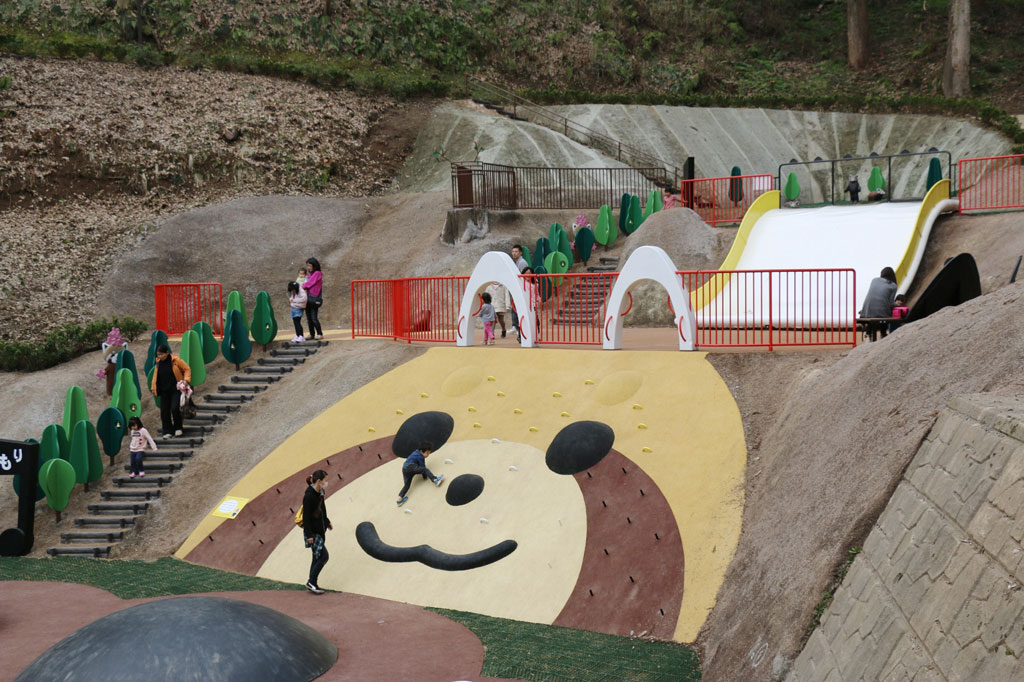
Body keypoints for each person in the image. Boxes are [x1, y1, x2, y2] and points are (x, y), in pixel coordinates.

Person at [149, 343, 191, 438]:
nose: (160, 356)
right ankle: (167, 431)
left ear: (167, 353)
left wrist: (186, 380)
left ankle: (178, 428)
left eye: (161, 354)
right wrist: (154, 389)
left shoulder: (175, 360)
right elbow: (155, 378)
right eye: (158, 354)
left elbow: (187, 369)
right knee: (164, 411)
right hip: (164, 391)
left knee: (174, 408)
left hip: (175, 389)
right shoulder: (158, 364)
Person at [302, 469, 332, 594]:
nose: (327, 482)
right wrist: (309, 535)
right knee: (324, 556)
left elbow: (322, 509)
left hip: (321, 529)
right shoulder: (309, 496)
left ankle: (312, 582)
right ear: (319, 481)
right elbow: (306, 517)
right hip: (313, 532)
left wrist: (327, 521)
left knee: (316, 556)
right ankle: (311, 582)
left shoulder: (320, 492)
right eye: (325, 480)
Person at [397, 441, 444, 507]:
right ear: (421, 451)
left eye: (429, 453)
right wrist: (425, 477)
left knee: (407, 485)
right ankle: (435, 480)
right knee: (425, 469)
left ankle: (399, 499)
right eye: (427, 453)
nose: (428, 455)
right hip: (411, 467)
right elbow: (423, 467)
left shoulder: (416, 452)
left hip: (405, 469)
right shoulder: (420, 456)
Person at [860, 266, 898, 341]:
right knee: (884, 312)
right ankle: (883, 333)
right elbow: (890, 303)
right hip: (882, 313)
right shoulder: (893, 286)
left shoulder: (874, 280)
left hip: (866, 311)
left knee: (874, 314)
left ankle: (868, 334)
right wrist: (897, 305)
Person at [302, 257, 324, 340]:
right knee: (309, 318)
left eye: (309, 265)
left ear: (314, 265)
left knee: (314, 318)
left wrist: (301, 286)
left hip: (314, 298)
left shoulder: (317, 273)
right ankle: (312, 334)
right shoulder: (309, 274)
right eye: (307, 265)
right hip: (308, 298)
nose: (308, 267)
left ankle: (319, 333)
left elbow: (309, 283)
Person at [522, 266, 541, 343]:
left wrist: (538, 299)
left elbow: (536, 293)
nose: (528, 275)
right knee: (526, 321)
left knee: (536, 321)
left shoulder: (535, 283)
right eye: (526, 273)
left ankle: (536, 335)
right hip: (525, 304)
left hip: (533, 304)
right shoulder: (521, 282)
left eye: (529, 274)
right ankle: (524, 335)